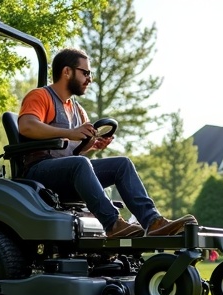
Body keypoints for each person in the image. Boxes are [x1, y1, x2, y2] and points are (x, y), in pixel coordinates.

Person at [18, 47, 196, 239]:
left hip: (67, 172)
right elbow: (27, 126)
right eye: (85, 73)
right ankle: (113, 224)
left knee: (122, 164)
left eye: (90, 74)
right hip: (39, 172)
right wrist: (70, 133)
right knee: (79, 164)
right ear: (67, 71)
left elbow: (74, 150)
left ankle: (152, 221)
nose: (90, 79)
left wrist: (92, 144)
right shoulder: (41, 96)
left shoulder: (78, 110)